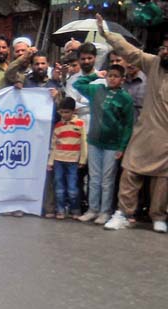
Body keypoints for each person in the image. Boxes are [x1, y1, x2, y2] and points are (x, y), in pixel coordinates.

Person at [97, 16, 168, 233]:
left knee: (163, 179)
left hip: (165, 137)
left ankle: (158, 216)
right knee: (130, 172)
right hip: (144, 131)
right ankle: (124, 214)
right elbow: (129, 51)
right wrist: (107, 33)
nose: (164, 51)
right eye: (164, 47)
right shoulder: (153, 63)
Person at [73, 64, 134, 225]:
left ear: (122, 79)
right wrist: (95, 75)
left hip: (112, 145)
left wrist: (122, 147)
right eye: (110, 75)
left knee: (107, 180)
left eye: (116, 76)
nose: (112, 78)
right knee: (94, 178)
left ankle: (105, 212)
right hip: (94, 141)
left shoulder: (125, 98)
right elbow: (77, 84)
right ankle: (92, 210)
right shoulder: (97, 90)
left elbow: (128, 124)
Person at [48, 97, 87, 220]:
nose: (64, 115)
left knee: (72, 187)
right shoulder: (58, 126)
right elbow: (54, 145)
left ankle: (75, 209)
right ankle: (60, 210)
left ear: (73, 111)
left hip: (73, 161)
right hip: (59, 160)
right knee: (59, 186)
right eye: (62, 112)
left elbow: (84, 143)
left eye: (67, 112)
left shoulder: (80, 124)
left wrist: (82, 159)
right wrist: (50, 162)